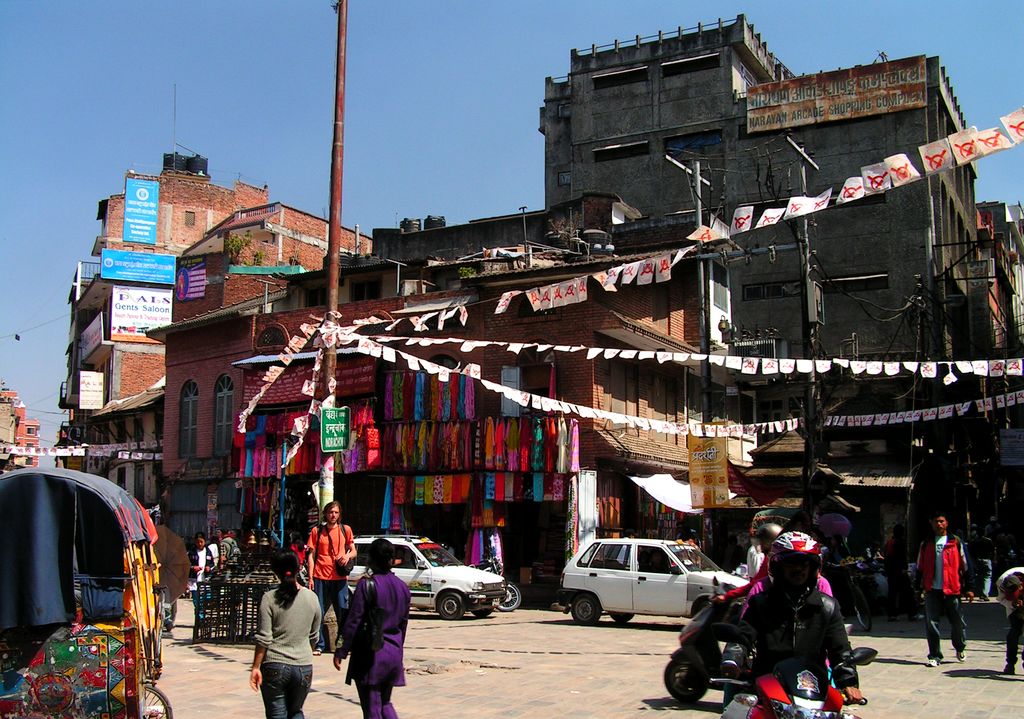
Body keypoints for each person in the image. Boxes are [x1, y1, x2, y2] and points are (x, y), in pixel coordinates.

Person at [720, 531, 863, 704]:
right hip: (768, 686)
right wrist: (732, 657)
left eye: (804, 564)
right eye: (791, 563)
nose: (799, 569)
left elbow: (840, 649)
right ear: (778, 567)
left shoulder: (827, 606)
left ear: (813, 567)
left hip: (813, 686)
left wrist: (848, 680)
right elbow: (743, 636)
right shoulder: (761, 603)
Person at [334, 537, 412, 719]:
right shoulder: (403, 588)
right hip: (393, 652)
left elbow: (353, 621)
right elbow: (404, 625)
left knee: (372, 707)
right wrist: (398, 649)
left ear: (371, 559)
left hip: (372, 654)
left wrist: (341, 650)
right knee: (385, 702)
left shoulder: (367, 585)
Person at [250, 550, 322, 719]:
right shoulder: (312, 598)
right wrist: (304, 651)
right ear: (299, 569)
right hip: (303, 667)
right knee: (296, 712)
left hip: (275, 664)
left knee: (277, 714)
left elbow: (264, 638)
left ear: (276, 571)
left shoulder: (269, 598)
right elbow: (314, 636)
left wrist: (255, 667)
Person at [916, 511, 972, 666]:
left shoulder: (956, 542)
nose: (939, 524)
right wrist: (917, 587)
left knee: (957, 622)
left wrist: (970, 587)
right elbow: (920, 568)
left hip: (952, 589)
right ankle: (934, 655)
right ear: (931, 523)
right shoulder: (926, 544)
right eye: (936, 521)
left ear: (947, 523)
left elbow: (966, 565)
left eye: (941, 521)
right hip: (932, 589)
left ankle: (960, 647)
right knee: (931, 623)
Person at [305, 501, 357, 656]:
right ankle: (319, 644)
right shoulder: (316, 531)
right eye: (330, 512)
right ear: (325, 514)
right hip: (320, 576)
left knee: (343, 611)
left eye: (335, 512)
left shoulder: (345, 530)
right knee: (319, 611)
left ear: (339, 514)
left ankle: (342, 644)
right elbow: (311, 555)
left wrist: (347, 556)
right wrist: (310, 576)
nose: (333, 515)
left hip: (339, 577)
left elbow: (353, 551)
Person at [715, 523, 782, 603]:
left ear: (769, 542)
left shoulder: (773, 559)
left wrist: (727, 596)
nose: (760, 546)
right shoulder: (772, 557)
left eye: (762, 542)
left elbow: (756, 582)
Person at [883, 524, 919, 621]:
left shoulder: (889, 542)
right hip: (899, 572)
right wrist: (904, 568)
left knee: (892, 593)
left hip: (891, 572)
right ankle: (912, 613)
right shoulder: (900, 543)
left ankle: (892, 614)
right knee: (908, 592)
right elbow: (901, 558)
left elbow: (886, 558)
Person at [996, 566, 1024, 674]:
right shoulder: (1001, 582)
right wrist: (1012, 603)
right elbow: (1001, 599)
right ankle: (1010, 663)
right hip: (1012, 607)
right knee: (1014, 632)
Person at [188, 532, 217, 618]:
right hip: (194, 580)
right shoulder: (191, 552)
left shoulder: (208, 552)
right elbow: (186, 565)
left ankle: (201, 614)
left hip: (205, 579)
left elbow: (212, 564)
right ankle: (200, 617)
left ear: (205, 542)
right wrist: (193, 568)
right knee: (196, 600)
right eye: (198, 542)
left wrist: (209, 567)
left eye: (201, 542)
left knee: (205, 598)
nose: (199, 544)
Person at [968, 528, 994, 600]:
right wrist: (993, 559)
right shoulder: (988, 541)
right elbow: (993, 551)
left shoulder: (974, 541)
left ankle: (975, 592)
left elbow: (971, 552)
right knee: (987, 576)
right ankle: (985, 593)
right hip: (987, 560)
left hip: (977, 560)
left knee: (978, 576)